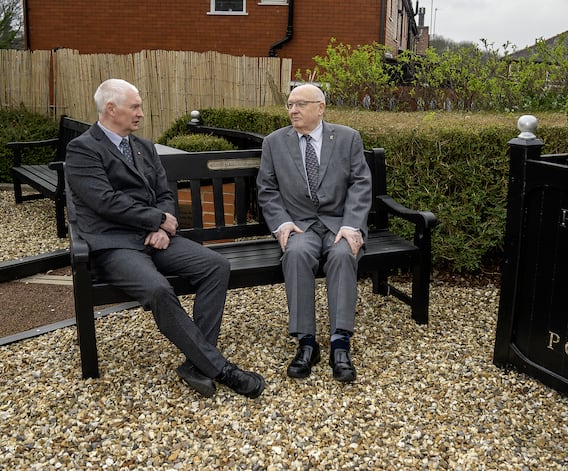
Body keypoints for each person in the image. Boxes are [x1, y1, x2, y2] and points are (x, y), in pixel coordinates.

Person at [65, 78, 265, 399]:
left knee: (215, 266)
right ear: (111, 109)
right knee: (159, 289)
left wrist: (162, 226)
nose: (141, 113)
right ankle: (220, 368)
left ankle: (195, 363)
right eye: (135, 107)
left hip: (157, 239)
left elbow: (163, 193)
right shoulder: (82, 149)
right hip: (114, 245)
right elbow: (104, 201)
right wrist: (156, 219)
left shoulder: (143, 147)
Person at [256, 83, 372, 383]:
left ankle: (339, 343)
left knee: (344, 255)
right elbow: (267, 190)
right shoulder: (274, 142)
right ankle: (306, 341)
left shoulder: (347, 138)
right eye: (290, 105)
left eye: (300, 104)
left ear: (320, 108)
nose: (293, 110)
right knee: (294, 253)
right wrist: (281, 223)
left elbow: (360, 183)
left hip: (339, 222)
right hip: (300, 224)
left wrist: (351, 224)